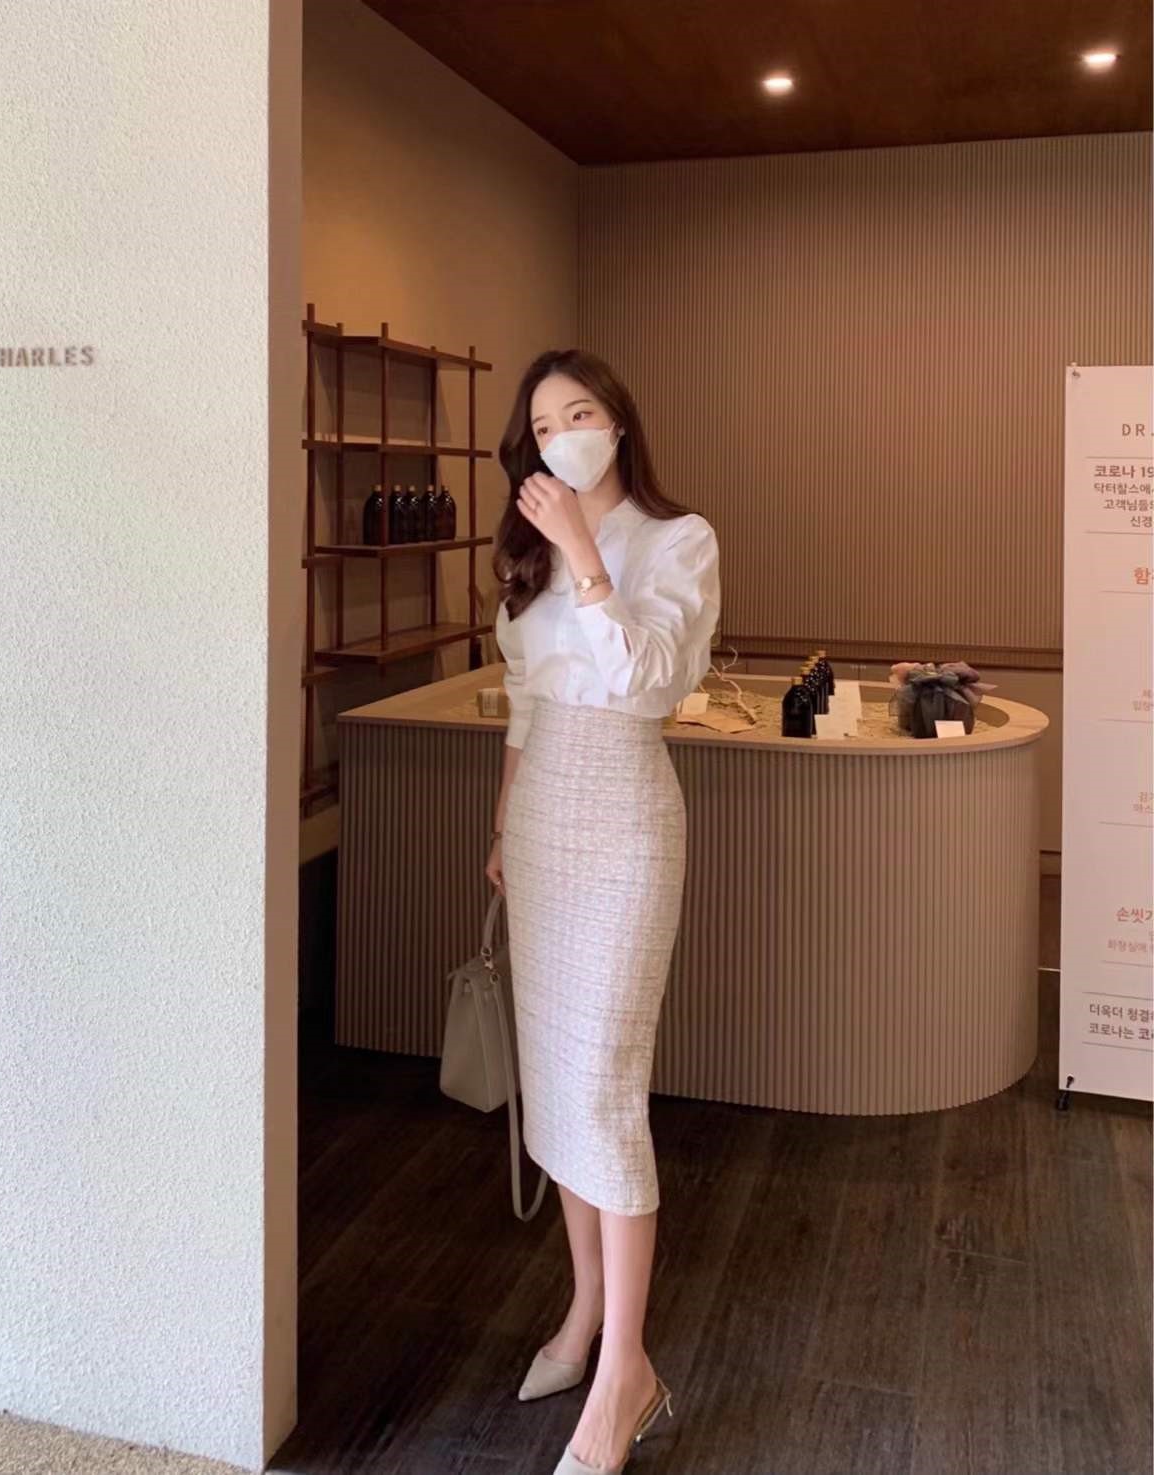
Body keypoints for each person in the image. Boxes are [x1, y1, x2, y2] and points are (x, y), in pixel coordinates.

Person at [486, 349, 720, 1475]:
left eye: (578, 412)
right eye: (542, 424)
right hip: (540, 820)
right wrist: (502, 825)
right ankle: (584, 1308)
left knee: (603, 1089)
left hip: (625, 814)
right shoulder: (525, 554)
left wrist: (585, 550)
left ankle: (626, 1368)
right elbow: (524, 702)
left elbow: (648, 681)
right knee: (555, 1081)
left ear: (619, 423)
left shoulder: (680, 539)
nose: (562, 434)